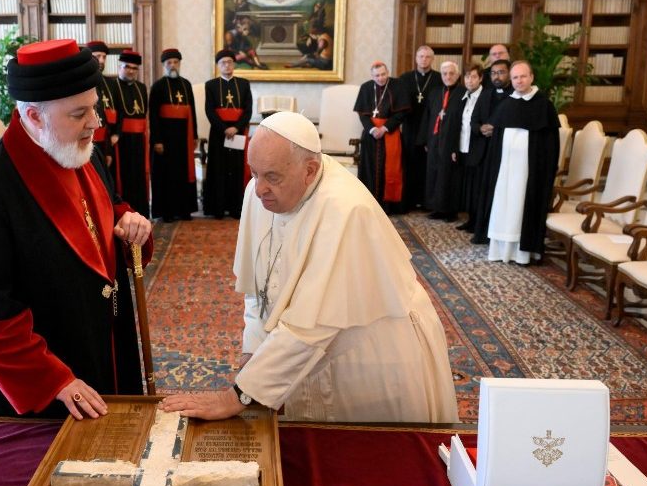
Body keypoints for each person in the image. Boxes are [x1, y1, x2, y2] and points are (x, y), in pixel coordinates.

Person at [161, 112, 458, 423]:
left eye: (272, 177)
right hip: (304, 340)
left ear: (310, 170)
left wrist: (239, 395)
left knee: (358, 444)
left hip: (367, 350)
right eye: (254, 173)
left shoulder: (345, 210)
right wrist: (252, 348)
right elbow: (258, 285)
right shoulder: (259, 193)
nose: (259, 189)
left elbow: (312, 325)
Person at [0, 39, 154, 429]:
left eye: (94, 107)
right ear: (34, 116)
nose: (95, 122)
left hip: (102, 342)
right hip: (45, 388)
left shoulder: (80, 152)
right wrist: (53, 380)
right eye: (80, 113)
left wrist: (129, 222)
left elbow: (109, 207)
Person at [480, 61, 560, 265]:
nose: (519, 81)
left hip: (529, 171)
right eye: (515, 77)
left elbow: (550, 147)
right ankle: (500, 249)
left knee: (522, 207)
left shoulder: (544, 106)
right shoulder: (506, 104)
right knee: (504, 206)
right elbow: (496, 142)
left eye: (523, 76)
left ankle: (523, 252)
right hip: (505, 169)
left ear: (531, 77)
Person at [148, 48, 198, 222]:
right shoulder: (158, 86)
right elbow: (153, 116)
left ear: (179, 64)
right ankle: (167, 212)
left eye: (175, 62)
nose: (173, 65)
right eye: (169, 62)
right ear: (164, 65)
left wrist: (194, 135)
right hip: (165, 138)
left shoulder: (186, 84)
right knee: (167, 175)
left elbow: (192, 112)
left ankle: (184, 210)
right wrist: (157, 140)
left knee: (183, 174)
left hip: (184, 138)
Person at [203, 49, 253, 219]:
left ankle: (235, 208)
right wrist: (224, 128)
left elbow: (248, 110)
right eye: (223, 62)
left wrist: (236, 128)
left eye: (229, 62)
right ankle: (218, 208)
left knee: (236, 169)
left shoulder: (244, 84)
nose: (227, 65)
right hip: (219, 133)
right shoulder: (211, 85)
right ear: (218, 65)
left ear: (234, 64)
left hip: (238, 133)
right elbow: (209, 111)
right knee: (219, 169)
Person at [354, 61, 410, 212]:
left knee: (391, 169)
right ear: (372, 76)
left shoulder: (397, 86)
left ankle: (389, 206)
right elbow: (362, 114)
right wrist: (372, 129)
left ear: (388, 72)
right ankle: (369, 204)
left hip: (391, 133)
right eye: (377, 75)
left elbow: (402, 113)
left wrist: (385, 128)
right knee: (369, 169)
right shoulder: (366, 88)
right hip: (371, 136)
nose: (380, 78)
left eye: (383, 74)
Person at [471, 59, 513, 244]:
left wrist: (497, 130)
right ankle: (482, 231)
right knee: (483, 191)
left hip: (504, 153)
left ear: (509, 74)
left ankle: (499, 233)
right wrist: (480, 128)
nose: (497, 76)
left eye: (501, 72)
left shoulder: (514, 97)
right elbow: (473, 121)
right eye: (494, 73)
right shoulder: (485, 95)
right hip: (484, 151)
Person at [421, 61, 466, 221]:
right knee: (434, 173)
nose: (448, 76)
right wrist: (425, 140)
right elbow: (427, 116)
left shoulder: (463, 93)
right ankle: (436, 208)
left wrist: (457, 145)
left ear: (458, 75)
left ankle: (450, 211)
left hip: (451, 140)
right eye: (445, 73)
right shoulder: (435, 92)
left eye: (451, 73)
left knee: (449, 175)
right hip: (434, 139)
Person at [399, 45, 441, 211]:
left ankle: (426, 201)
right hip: (410, 127)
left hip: (431, 128)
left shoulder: (439, 78)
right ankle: (409, 200)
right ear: (416, 58)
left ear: (432, 59)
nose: (424, 60)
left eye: (427, 57)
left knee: (427, 165)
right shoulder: (405, 78)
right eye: (421, 56)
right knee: (409, 163)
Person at [112, 50, 151, 218]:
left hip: (139, 139)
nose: (130, 71)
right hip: (122, 139)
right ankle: (125, 213)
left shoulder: (141, 87)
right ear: (119, 66)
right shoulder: (113, 86)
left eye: (134, 68)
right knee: (125, 176)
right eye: (127, 67)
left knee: (139, 176)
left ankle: (141, 211)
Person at [454, 63, 486, 232]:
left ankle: (477, 221)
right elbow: (459, 125)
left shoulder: (485, 97)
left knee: (477, 188)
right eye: (467, 77)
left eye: (474, 77)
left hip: (478, 149)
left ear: (480, 78)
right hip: (463, 147)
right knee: (467, 187)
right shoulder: (464, 96)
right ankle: (470, 219)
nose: (470, 80)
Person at [87, 40, 116, 167]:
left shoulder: (108, 83)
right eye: (98, 56)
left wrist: (108, 150)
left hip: (104, 142)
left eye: (104, 57)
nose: (102, 60)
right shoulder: (83, 84)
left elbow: (105, 121)